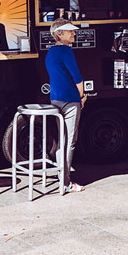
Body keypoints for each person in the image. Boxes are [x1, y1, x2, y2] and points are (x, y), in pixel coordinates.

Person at [44, 18, 86, 194]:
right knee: (70, 142)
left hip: (55, 100)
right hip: (70, 100)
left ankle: (62, 176)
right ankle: (66, 183)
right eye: (70, 31)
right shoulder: (66, 51)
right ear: (59, 34)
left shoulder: (50, 53)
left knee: (63, 141)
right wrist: (83, 96)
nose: (73, 33)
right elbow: (77, 77)